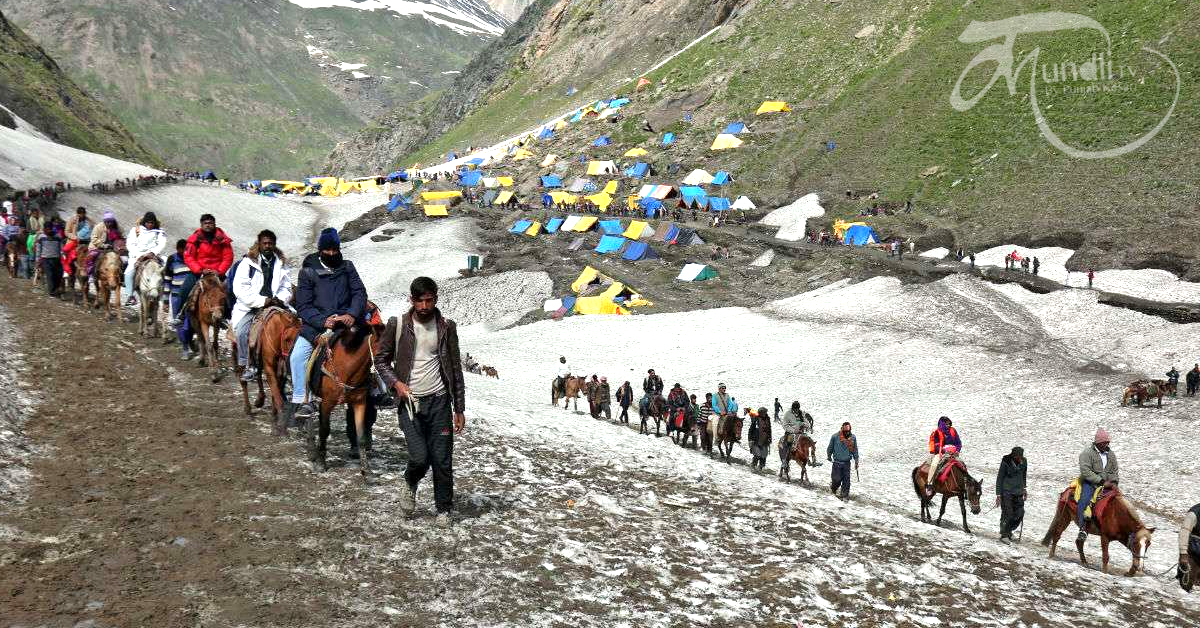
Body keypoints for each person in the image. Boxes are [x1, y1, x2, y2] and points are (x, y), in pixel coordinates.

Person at [373, 276, 466, 527]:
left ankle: (443, 509)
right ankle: (410, 482)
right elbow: (380, 360)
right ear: (411, 300)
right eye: (420, 301)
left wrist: (459, 408)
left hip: (439, 402)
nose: (424, 306)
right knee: (419, 457)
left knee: (442, 458)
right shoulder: (399, 324)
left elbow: (455, 369)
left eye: (429, 300)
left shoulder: (446, 326)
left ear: (435, 298)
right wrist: (397, 384)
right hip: (410, 403)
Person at [290, 228, 367, 420]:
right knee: (298, 356)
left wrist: (351, 313)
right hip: (317, 325)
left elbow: (359, 292)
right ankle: (303, 399)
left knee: (372, 347)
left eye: (335, 250)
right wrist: (323, 320)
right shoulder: (308, 271)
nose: (332, 254)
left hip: (346, 322)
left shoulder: (347, 267)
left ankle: (379, 390)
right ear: (321, 250)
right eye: (328, 250)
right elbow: (304, 305)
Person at [231, 230, 292, 381]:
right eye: (264, 243)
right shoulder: (248, 263)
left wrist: (280, 298)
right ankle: (248, 365)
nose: (267, 246)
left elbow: (287, 287)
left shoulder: (282, 263)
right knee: (242, 331)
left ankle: (291, 363)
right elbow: (240, 289)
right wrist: (261, 301)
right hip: (252, 306)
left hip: (276, 303)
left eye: (270, 243)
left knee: (296, 325)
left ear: (274, 244)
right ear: (259, 244)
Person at [176, 214, 234, 334]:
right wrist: (199, 270)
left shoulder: (223, 240)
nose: (208, 225)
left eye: (210, 223)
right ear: (201, 225)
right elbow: (188, 256)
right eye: (205, 223)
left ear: (214, 224)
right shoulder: (194, 239)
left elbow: (228, 257)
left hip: (217, 272)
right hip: (199, 272)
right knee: (184, 290)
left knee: (230, 291)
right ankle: (180, 315)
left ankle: (227, 317)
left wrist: (219, 271)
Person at [1077, 428, 1118, 543]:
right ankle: (1083, 528)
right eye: (1105, 442)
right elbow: (1086, 471)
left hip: (1108, 484)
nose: (1107, 444)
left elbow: (1115, 471)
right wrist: (1101, 482)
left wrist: (1114, 483)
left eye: (1108, 442)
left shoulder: (1111, 454)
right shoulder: (1087, 454)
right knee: (1084, 500)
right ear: (1098, 443)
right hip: (1090, 483)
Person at [123, 212, 167, 304]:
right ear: (144, 222)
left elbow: (161, 244)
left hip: (153, 255)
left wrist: (152, 252)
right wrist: (140, 255)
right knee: (129, 272)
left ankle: (162, 294)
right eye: (148, 222)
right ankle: (130, 295)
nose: (150, 225)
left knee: (165, 268)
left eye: (152, 223)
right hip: (137, 255)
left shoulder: (159, 232)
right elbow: (130, 244)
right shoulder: (136, 230)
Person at [162, 239, 192, 355]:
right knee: (178, 321)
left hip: (191, 295)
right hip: (176, 296)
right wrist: (165, 301)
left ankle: (188, 341)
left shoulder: (193, 259)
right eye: (182, 250)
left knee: (189, 322)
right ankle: (185, 347)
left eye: (187, 250)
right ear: (178, 249)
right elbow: (167, 280)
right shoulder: (172, 259)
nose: (185, 252)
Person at [995, 447, 1027, 543]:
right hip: (1006, 491)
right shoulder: (1006, 461)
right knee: (1008, 513)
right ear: (1013, 456)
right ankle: (1004, 534)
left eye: (1021, 456)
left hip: (1019, 491)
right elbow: (1000, 477)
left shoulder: (1024, 461)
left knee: (1020, 513)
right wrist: (998, 495)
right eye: (1018, 457)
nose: (1020, 458)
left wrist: (1024, 488)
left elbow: (1024, 475)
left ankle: (1009, 530)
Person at [925, 416, 962, 495]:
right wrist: (944, 450)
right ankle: (929, 484)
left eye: (949, 424)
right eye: (946, 424)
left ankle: (964, 484)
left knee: (962, 464)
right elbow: (936, 445)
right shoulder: (937, 433)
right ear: (942, 424)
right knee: (935, 464)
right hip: (941, 453)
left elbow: (958, 443)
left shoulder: (953, 431)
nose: (948, 425)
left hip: (953, 453)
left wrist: (957, 451)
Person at [86, 210, 124, 277]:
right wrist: (103, 245)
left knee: (122, 260)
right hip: (97, 248)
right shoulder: (98, 227)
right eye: (107, 222)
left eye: (110, 222)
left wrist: (119, 245)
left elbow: (122, 237)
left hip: (112, 249)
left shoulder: (117, 228)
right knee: (91, 257)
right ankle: (91, 275)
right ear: (104, 221)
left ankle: (120, 276)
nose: (109, 223)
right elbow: (94, 239)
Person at [827, 422, 859, 499]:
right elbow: (830, 448)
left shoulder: (853, 438)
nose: (847, 433)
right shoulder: (835, 437)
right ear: (842, 429)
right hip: (837, 463)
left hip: (847, 463)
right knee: (836, 479)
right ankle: (833, 488)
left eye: (849, 431)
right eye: (846, 431)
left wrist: (856, 460)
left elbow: (855, 450)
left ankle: (844, 496)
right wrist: (829, 456)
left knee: (846, 481)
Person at [34, 223, 64, 297]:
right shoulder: (41, 237)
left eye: (50, 229)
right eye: (47, 229)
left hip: (57, 259)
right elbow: (38, 249)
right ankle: (52, 292)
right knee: (50, 275)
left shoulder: (57, 236)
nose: (49, 230)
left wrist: (63, 256)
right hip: (46, 259)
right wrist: (38, 260)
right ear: (44, 229)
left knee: (58, 275)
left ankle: (56, 288)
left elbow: (61, 248)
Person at [1179, 502, 1200, 592]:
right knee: (1187, 584)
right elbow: (1184, 532)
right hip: (1193, 553)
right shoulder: (1194, 513)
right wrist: (1183, 553)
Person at [748, 407, 771, 471]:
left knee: (763, 455)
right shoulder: (756, 419)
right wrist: (750, 439)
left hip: (765, 440)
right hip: (756, 440)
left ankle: (761, 467)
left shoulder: (767, 419)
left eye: (765, 412)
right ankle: (753, 465)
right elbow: (751, 430)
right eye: (764, 412)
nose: (765, 413)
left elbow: (769, 429)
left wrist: (769, 438)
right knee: (757, 454)